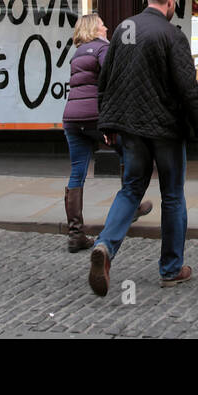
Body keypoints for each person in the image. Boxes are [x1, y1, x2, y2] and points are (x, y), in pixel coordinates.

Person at [87, 0, 198, 296]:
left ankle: (105, 245)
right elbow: (187, 87)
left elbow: (107, 79)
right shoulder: (172, 35)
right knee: (172, 195)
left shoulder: (123, 29)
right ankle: (171, 269)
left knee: (130, 190)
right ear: (170, 2)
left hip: (130, 128)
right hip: (166, 130)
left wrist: (107, 123)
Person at [62, 13, 152, 253]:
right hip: (96, 116)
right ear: (94, 29)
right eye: (102, 25)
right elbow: (113, 77)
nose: (106, 27)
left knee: (77, 171)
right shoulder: (102, 48)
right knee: (127, 152)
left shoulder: (78, 53)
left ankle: (75, 234)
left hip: (72, 118)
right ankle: (131, 206)